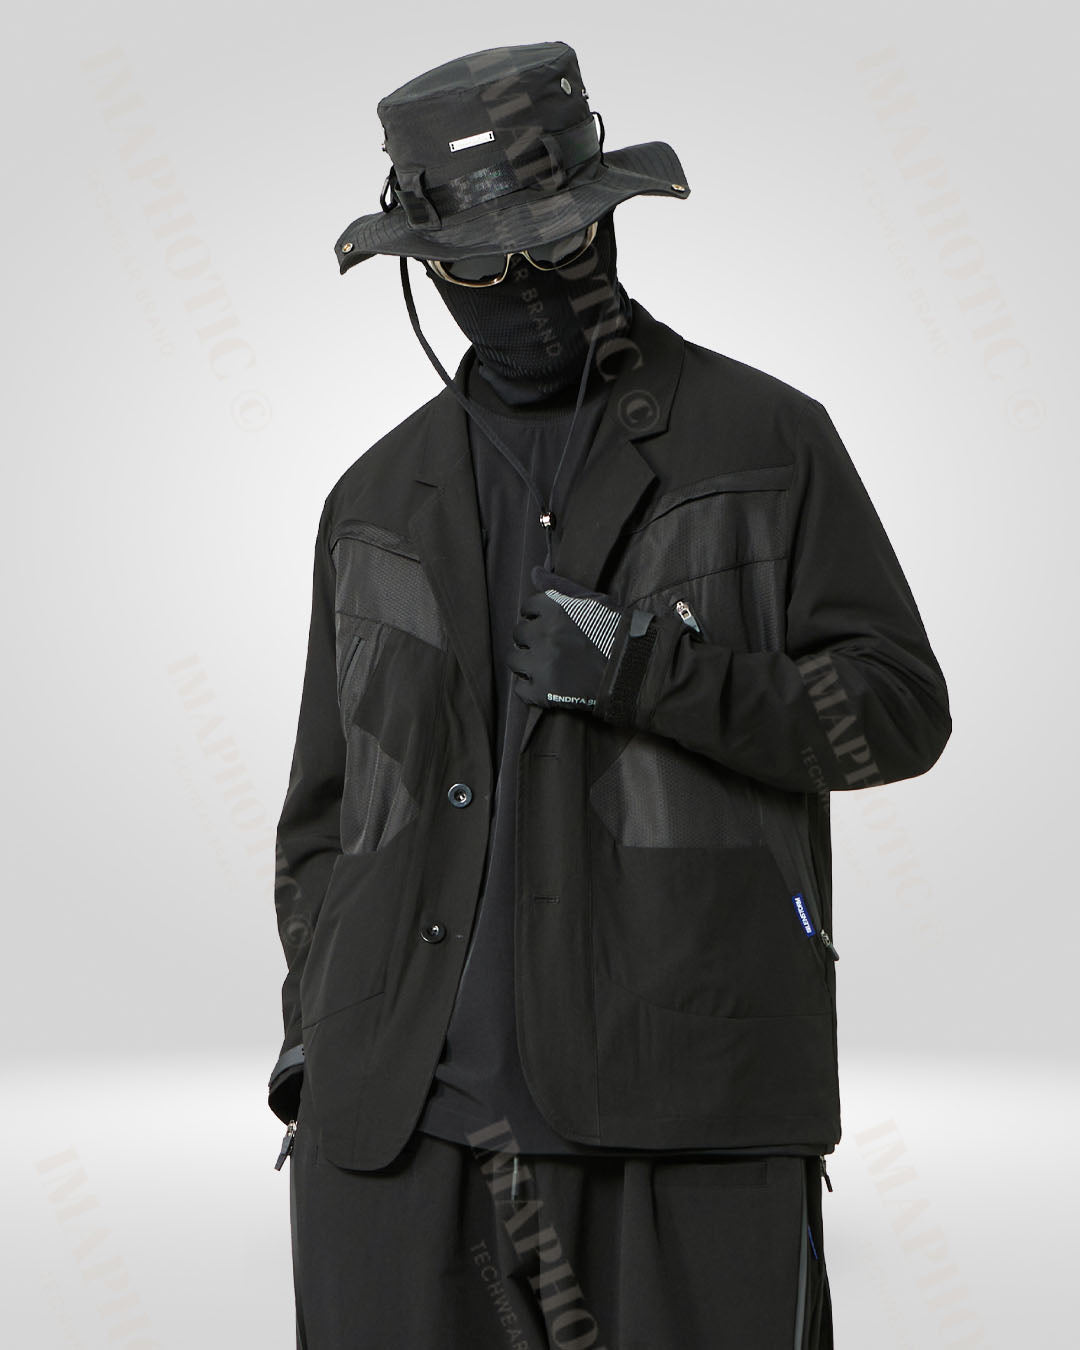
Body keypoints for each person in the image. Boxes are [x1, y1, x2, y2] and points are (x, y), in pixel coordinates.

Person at [266, 40, 951, 1349]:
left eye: (558, 244)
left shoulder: (767, 442)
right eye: (478, 265)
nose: (522, 286)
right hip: (398, 1140)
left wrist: (653, 673)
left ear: (607, 216)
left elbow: (897, 711)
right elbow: (327, 820)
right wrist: (321, 1040)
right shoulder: (373, 501)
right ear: (425, 266)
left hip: (686, 1121)